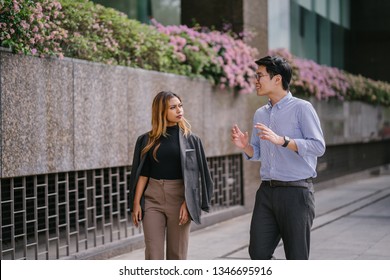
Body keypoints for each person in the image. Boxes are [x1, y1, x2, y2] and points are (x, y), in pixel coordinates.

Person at [231, 55, 325, 260]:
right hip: (267, 192)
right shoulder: (260, 114)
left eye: (260, 75)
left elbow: (318, 146)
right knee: (258, 254)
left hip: (296, 193)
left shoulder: (302, 108)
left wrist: (282, 140)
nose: (255, 80)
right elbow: (258, 152)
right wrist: (245, 146)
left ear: (277, 79)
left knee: (297, 257)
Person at [129, 90, 214, 260]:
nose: (179, 110)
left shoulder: (192, 140)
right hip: (152, 199)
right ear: (161, 112)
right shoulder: (146, 140)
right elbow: (143, 174)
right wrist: (136, 203)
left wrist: (187, 202)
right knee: (153, 254)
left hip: (179, 199)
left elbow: (195, 175)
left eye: (180, 106)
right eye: (173, 107)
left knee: (177, 254)